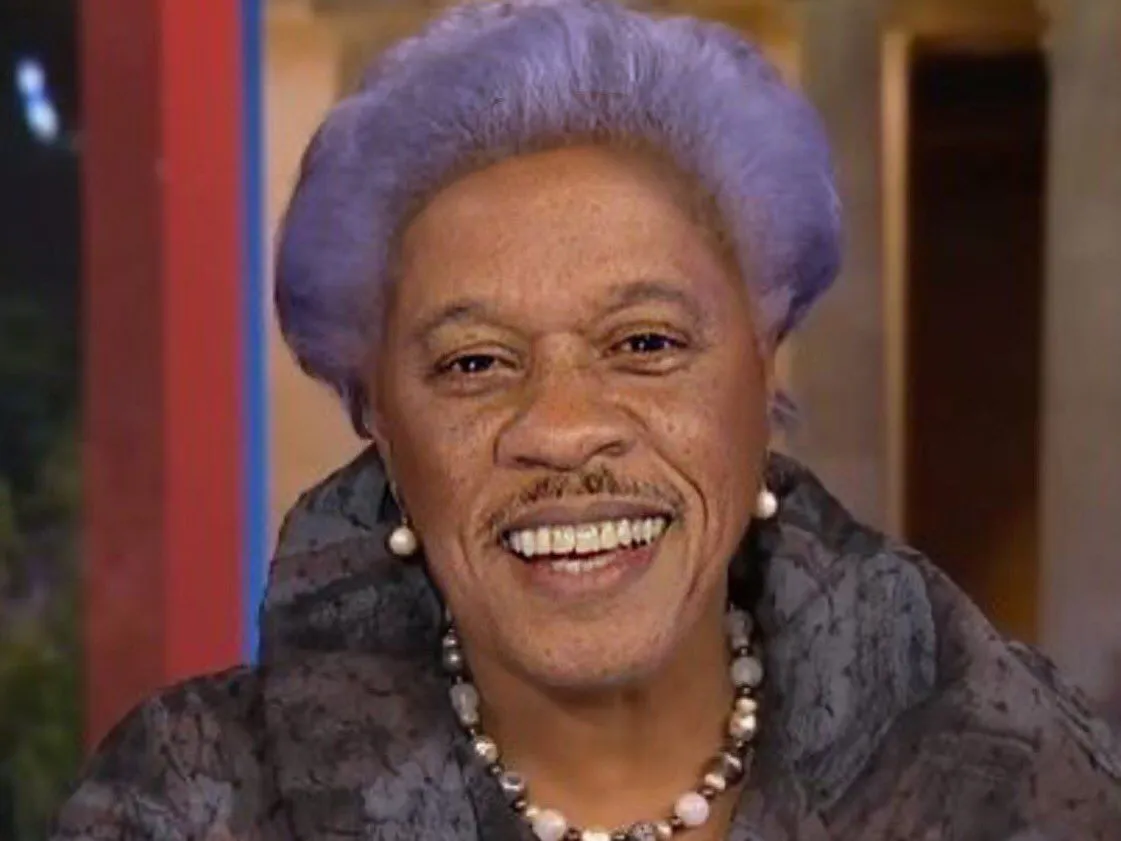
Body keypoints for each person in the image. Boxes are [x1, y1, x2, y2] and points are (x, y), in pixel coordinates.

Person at [53, 1, 1121, 839]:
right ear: (378, 416)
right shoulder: (193, 802)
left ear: (762, 366)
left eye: (644, 343)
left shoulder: (1034, 785)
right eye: (474, 363)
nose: (563, 428)